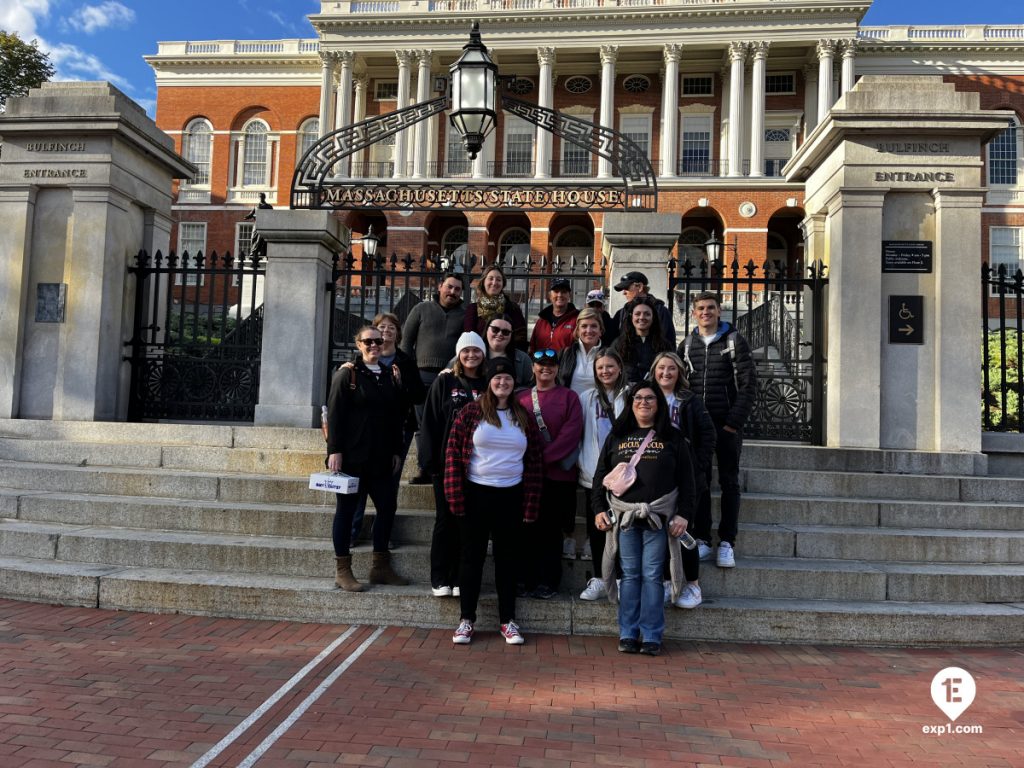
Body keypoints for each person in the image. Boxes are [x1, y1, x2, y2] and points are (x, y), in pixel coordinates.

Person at [444, 357, 544, 646]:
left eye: (508, 379)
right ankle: (466, 620)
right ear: (489, 382)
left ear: (515, 384)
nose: (503, 383)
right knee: (471, 559)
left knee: (507, 560)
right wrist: (455, 497)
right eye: (497, 379)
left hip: (511, 494)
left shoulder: (523, 416)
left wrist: (530, 504)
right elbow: (452, 455)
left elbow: (535, 462)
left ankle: (507, 620)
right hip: (475, 494)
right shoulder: (470, 413)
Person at [592, 382, 697, 656]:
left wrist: (684, 514)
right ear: (630, 403)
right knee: (630, 576)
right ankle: (627, 633)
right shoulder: (617, 435)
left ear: (659, 404)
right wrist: (598, 509)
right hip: (625, 519)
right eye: (638, 398)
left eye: (650, 398)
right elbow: (599, 476)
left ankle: (651, 635)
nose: (644, 402)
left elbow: (688, 481)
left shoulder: (673, 438)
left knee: (652, 575)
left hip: (657, 519)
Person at [677, 291, 757, 569]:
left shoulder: (735, 341)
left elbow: (748, 385)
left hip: (726, 425)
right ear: (694, 313)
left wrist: (733, 422)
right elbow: (679, 384)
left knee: (729, 482)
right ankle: (702, 538)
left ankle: (726, 541)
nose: (706, 312)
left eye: (711, 307)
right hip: (697, 427)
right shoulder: (687, 344)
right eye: (700, 308)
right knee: (699, 482)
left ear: (719, 311)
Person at [326, 325, 408, 592]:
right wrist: (334, 452)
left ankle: (380, 567)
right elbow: (335, 414)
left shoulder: (389, 374)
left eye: (379, 341)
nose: (375, 345)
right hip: (352, 457)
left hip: (382, 457)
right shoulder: (348, 374)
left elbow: (397, 417)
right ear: (358, 344)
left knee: (387, 508)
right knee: (346, 512)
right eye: (369, 341)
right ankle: (343, 570)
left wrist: (397, 450)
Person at [348, 312, 425, 546]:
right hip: (364, 430)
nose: (387, 331)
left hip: (398, 429)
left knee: (390, 482)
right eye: (382, 327)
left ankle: (384, 533)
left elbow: (419, 395)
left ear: (398, 334)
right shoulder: (360, 360)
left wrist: (401, 384)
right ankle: (353, 530)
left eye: (392, 328)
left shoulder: (405, 362)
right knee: (359, 481)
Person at [421, 331, 487, 598]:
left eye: (476, 351)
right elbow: (430, 422)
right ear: (458, 354)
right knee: (445, 520)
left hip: (478, 465)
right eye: (466, 351)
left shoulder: (488, 383)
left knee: (468, 523)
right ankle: (440, 577)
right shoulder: (445, 381)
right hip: (447, 465)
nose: (471, 355)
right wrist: (429, 461)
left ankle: (461, 578)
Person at [649, 351, 716, 610]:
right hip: (656, 474)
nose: (666, 373)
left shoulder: (689, 400)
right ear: (654, 370)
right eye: (661, 368)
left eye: (672, 369)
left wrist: (696, 466)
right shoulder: (646, 396)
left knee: (684, 530)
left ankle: (693, 585)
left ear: (680, 373)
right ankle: (668, 581)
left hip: (685, 474)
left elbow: (707, 434)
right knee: (660, 530)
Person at [516, 348, 583, 596]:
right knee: (525, 528)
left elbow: (571, 434)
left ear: (557, 369)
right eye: (540, 364)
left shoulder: (569, 397)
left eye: (551, 365)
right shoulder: (520, 397)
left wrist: (541, 460)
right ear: (532, 368)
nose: (546, 368)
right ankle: (524, 578)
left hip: (557, 477)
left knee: (551, 530)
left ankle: (548, 581)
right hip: (526, 477)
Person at [401, 273, 466, 484]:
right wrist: (408, 373)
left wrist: (451, 368)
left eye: (457, 289)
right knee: (422, 425)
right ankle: (425, 467)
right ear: (440, 287)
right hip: (421, 375)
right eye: (449, 287)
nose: (453, 292)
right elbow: (405, 343)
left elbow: (466, 346)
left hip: (450, 376)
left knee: (447, 423)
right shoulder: (421, 309)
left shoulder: (465, 314)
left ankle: (446, 466)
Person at [577, 350, 629, 601]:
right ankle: (599, 578)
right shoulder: (586, 398)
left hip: (625, 477)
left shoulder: (631, 395)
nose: (605, 371)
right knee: (598, 529)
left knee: (624, 530)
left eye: (610, 366)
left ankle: (620, 578)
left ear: (619, 367)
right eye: (600, 368)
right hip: (594, 474)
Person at [448, 314, 534, 388]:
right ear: (487, 330)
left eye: (506, 332)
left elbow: (531, 387)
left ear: (511, 335)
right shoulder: (472, 353)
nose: (500, 334)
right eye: (495, 329)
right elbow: (449, 372)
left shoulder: (522, 359)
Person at [463, 264, 528, 351]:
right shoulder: (473, 309)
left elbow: (521, 337)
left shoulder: (513, 308)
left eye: (498, 279)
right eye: (490, 278)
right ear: (483, 282)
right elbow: (469, 337)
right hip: (480, 357)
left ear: (503, 284)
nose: (494, 283)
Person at [612, 295, 671, 384]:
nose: (642, 317)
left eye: (647, 314)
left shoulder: (664, 345)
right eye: (637, 314)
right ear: (631, 317)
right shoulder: (619, 344)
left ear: (653, 317)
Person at [611, 271, 676, 346]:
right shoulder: (621, 313)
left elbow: (669, 343)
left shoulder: (661, 311)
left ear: (640, 287)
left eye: (626, 288)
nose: (624, 293)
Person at [557, 307, 605, 398]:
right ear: (578, 331)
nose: (589, 330)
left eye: (594, 326)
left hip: (598, 410)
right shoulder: (565, 354)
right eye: (584, 326)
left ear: (601, 331)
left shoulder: (609, 356)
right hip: (569, 410)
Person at [529, 277, 579, 353]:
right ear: (550, 295)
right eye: (556, 291)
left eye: (564, 292)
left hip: (565, 364)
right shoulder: (541, 321)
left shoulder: (577, 320)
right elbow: (533, 346)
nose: (560, 295)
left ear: (569, 296)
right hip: (542, 364)